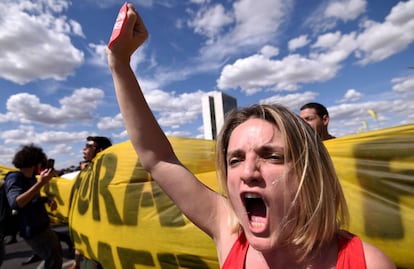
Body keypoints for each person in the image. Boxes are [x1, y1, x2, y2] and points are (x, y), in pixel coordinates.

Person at [106, 4, 396, 268]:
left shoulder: (366, 263)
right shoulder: (229, 231)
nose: (248, 171)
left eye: (272, 156)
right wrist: (120, 63)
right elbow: (158, 159)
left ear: (311, 172)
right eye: (234, 159)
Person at [4, 144, 62, 269]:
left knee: (54, 258)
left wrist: (47, 199)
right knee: (53, 260)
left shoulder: (31, 179)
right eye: (41, 163)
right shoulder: (14, 178)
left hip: (42, 225)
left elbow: (32, 199)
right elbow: (16, 202)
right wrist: (41, 183)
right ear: (34, 163)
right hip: (32, 230)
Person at [71, 136, 112, 269]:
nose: (84, 149)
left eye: (88, 146)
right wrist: (77, 259)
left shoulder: (111, 175)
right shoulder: (84, 175)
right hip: (91, 244)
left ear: (100, 151)